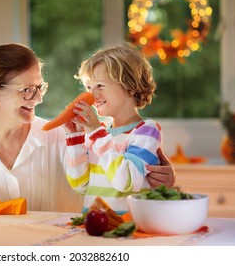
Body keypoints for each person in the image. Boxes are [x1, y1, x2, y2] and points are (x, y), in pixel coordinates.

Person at [0, 43, 175, 213]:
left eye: (39, 88)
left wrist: (162, 179)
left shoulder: (62, 134)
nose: (37, 98)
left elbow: (118, 174)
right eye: (26, 90)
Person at [64, 42, 168, 214]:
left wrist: (97, 134)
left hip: (130, 228)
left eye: (100, 86)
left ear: (129, 86)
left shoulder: (146, 131)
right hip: (94, 225)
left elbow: (126, 180)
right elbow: (79, 184)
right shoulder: (98, 134)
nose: (92, 95)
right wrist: (75, 138)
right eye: (89, 87)